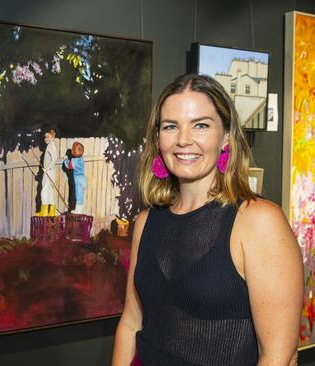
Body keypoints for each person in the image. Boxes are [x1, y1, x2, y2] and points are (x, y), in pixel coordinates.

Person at [112, 74, 303, 365]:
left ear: (226, 135)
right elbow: (130, 323)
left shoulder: (258, 220)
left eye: (200, 125)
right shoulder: (145, 221)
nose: (183, 140)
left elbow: (279, 355)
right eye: (171, 127)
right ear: (158, 138)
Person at [37, 128, 59, 216]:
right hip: (48, 171)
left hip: (49, 172)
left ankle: (44, 212)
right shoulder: (50, 145)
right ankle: (51, 212)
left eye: (48, 136)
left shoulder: (51, 146)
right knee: (49, 191)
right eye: (45, 137)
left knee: (44, 192)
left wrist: (48, 168)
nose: (46, 138)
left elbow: (54, 158)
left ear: (53, 137)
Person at [63, 141, 86, 214]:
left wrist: (66, 161)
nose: (71, 150)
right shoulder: (81, 159)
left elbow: (70, 166)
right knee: (80, 195)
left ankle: (78, 211)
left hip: (78, 179)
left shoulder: (75, 160)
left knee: (78, 195)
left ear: (74, 152)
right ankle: (79, 210)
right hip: (82, 178)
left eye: (72, 149)